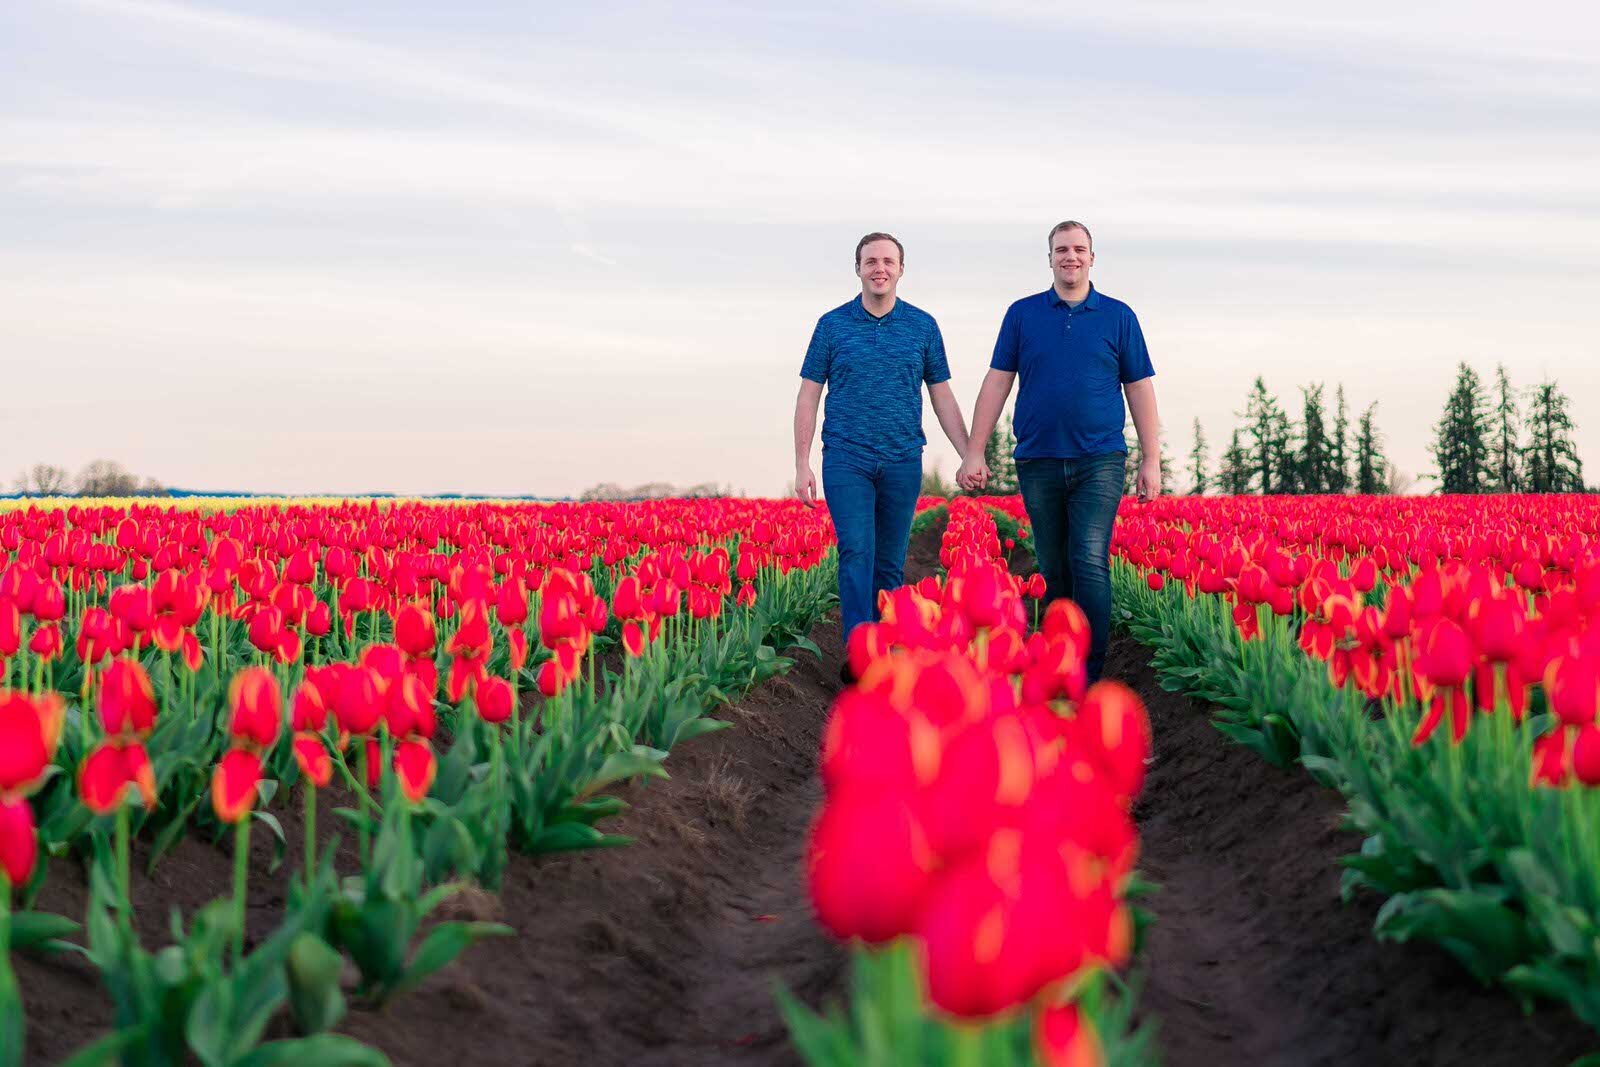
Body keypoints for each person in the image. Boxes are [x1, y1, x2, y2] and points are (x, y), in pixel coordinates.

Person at [959, 220, 1160, 684]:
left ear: (1092, 257)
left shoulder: (1118, 316)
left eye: (1079, 249)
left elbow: (1140, 388)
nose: (1071, 257)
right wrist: (974, 450)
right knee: (1052, 564)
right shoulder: (1023, 314)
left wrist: (1151, 459)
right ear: (1049, 258)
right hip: (1038, 459)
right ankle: (1059, 663)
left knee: (1088, 557)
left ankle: (1088, 674)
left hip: (1100, 459)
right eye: (1062, 250)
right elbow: (996, 383)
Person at [794, 232, 972, 683]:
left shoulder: (922, 326)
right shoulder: (832, 326)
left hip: (901, 459)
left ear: (900, 269)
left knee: (890, 563)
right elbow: (808, 396)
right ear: (858, 269)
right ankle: (861, 652)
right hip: (846, 458)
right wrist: (802, 463)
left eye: (888, 261)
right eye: (871, 260)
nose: (880, 268)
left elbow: (942, 396)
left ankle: (888, 647)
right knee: (856, 551)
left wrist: (969, 453)